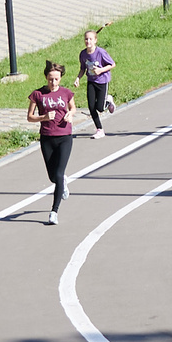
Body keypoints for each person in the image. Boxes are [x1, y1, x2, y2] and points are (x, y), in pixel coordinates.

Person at [26, 61, 76, 224]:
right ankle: (63, 183)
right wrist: (44, 117)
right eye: (50, 79)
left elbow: (73, 108)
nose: (53, 83)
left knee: (59, 174)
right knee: (53, 177)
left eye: (56, 79)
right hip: (47, 137)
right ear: (46, 78)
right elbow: (29, 117)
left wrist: (70, 114)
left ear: (60, 78)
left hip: (64, 137)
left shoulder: (66, 93)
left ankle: (54, 211)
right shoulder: (37, 94)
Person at [77, 29, 115, 140]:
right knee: (91, 106)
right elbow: (82, 69)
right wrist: (78, 78)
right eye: (86, 39)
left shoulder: (101, 52)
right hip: (91, 82)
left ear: (95, 41)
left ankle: (108, 101)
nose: (88, 41)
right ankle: (99, 129)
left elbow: (112, 64)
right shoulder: (83, 54)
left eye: (90, 39)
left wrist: (101, 70)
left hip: (102, 81)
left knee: (100, 108)